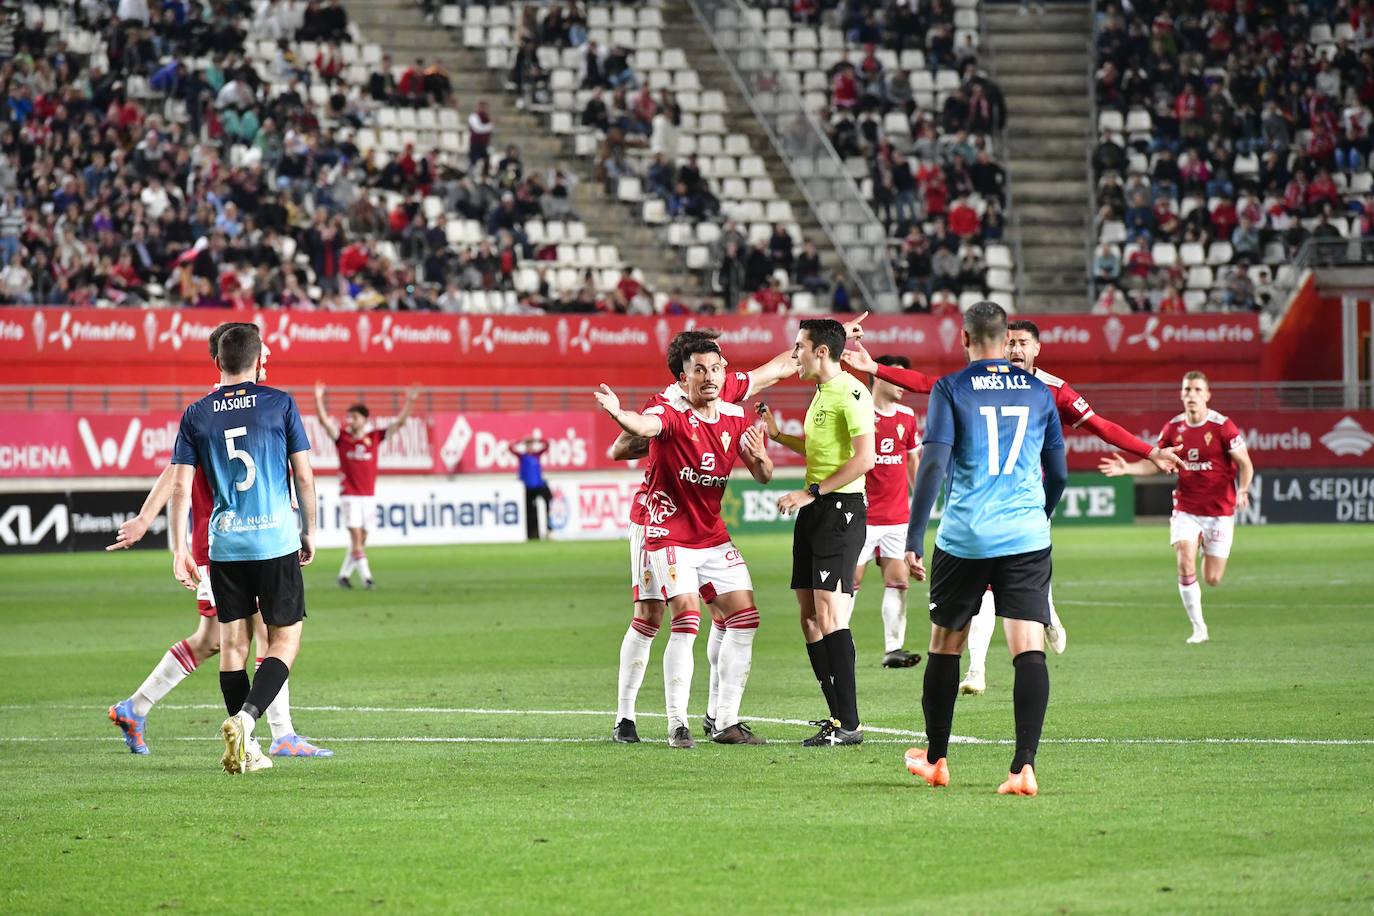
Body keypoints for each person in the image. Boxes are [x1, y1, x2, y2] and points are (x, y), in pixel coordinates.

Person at [843, 318, 1181, 694]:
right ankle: (977, 670)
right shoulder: (980, 381)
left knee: (1004, 593)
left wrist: (1150, 451)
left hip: (1024, 508)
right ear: (1001, 346)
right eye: (1011, 343)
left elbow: (1100, 426)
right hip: (984, 508)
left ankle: (1045, 614)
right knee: (985, 592)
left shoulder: (1051, 390)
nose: (1016, 350)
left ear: (1037, 349)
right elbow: (928, 385)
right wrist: (873, 368)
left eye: (1024, 343)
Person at [106, 323, 329, 759]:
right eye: (264, 353)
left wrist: (148, 519)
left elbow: (177, 475)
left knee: (219, 639)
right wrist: (147, 519)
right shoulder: (260, 406)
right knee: (253, 638)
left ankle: (139, 708)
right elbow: (176, 478)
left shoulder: (203, 412)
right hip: (224, 544)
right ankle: (275, 733)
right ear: (247, 358)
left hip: (223, 544)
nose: (268, 360)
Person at [901, 302, 1067, 797]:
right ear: (1004, 338)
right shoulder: (1040, 391)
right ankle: (1023, 768)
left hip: (965, 537)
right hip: (1025, 536)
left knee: (945, 645)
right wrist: (1040, 513)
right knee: (1027, 648)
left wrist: (913, 539)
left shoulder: (951, 388)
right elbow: (1056, 472)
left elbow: (932, 467)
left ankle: (935, 760)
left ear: (965, 338)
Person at [594, 338, 775, 747]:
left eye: (715, 368)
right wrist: (619, 413)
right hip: (659, 526)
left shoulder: (734, 415)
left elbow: (763, 471)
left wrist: (762, 454)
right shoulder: (670, 408)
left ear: (724, 370)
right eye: (700, 368)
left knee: (740, 617)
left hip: (709, 533)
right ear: (683, 375)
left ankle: (722, 719)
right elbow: (641, 429)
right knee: (655, 616)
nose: (709, 375)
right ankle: (652, 719)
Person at [168, 324, 317, 775]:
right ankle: (247, 722)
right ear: (258, 362)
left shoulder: (196, 413)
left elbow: (178, 486)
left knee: (233, 645)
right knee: (284, 640)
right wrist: (309, 530)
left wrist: (178, 549)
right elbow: (305, 477)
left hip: (225, 544)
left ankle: (248, 752)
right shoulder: (280, 403)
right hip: (274, 539)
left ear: (217, 362)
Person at [772, 319, 876, 747]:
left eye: (799, 347)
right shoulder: (820, 393)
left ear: (820, 351)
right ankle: (836, 716)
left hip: (840, 511)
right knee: (809, 618)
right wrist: (779, 437)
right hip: (816, 511)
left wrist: (811, 491)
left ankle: (849, 724)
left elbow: (864, 458)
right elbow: (820, 451)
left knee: (830, 616)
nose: (793, 354)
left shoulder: (851, 391)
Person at [1100, 371, 1253, 644]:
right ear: (1181, 395)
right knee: (1184, 560)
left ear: (1207, 395)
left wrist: (1242, 489)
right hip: (1186, 507)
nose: (1191, 394)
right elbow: (1157, 462)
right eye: (1186, 390)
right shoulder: (1173, 429)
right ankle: (1199, 629)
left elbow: (1245, 463)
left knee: (1213, 578)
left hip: (1219, 511)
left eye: (1196, 389)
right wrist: (1128, 468)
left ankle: (1207, 544)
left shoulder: (1223, 426)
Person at [850, 354, 923, 668]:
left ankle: (894, 648)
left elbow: (913, 462)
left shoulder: (907, 417)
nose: (904, 385)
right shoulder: (859, 413)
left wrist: (919, 505)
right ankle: (838, 645)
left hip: (897, 519)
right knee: (848, 583)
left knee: (898, 581)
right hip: (862, 517)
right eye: (898, 378)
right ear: (879, 378)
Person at [313, 383, 419, 589]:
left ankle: (343, 575)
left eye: (354, 417)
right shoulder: (342, 438)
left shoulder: (374, 437)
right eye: (348, 417)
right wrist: (318, 398)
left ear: (364, 419)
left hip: (368, 496)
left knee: (361, 539)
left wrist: (410, 401)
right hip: (350, 495)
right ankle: (367, 578)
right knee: (356, 538)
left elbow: (399, 424)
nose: (349, 420)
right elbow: (324, 423)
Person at [513, 432, 553, 540]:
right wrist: (520, 441)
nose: (530, 447)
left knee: (548, 500)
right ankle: (531, 532)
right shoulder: (522, 456)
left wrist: (538, 440)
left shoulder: (537, 455)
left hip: (539, 486)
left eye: (531, 445)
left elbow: (547, 445)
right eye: (528, 445)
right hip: (528, 488)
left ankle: (549, 527)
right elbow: (510, 448)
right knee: (529, 511)